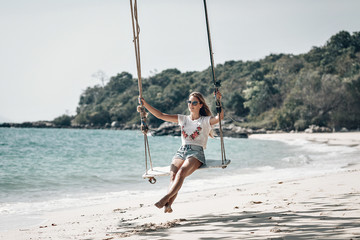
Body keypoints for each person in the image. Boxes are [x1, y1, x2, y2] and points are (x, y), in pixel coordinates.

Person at [139, 91, 224, 213]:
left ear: (200, 105)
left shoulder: (205, 120)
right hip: (182, 151)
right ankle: (168, 205)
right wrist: (144, 104)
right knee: (173, 175)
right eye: (189, 102)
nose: (191, 105)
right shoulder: (183, 119)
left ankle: (165, 198)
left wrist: (218, 101)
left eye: (194, 102)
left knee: (181, 173)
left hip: (196, 153)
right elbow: (160, 115)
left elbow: (219, 118)